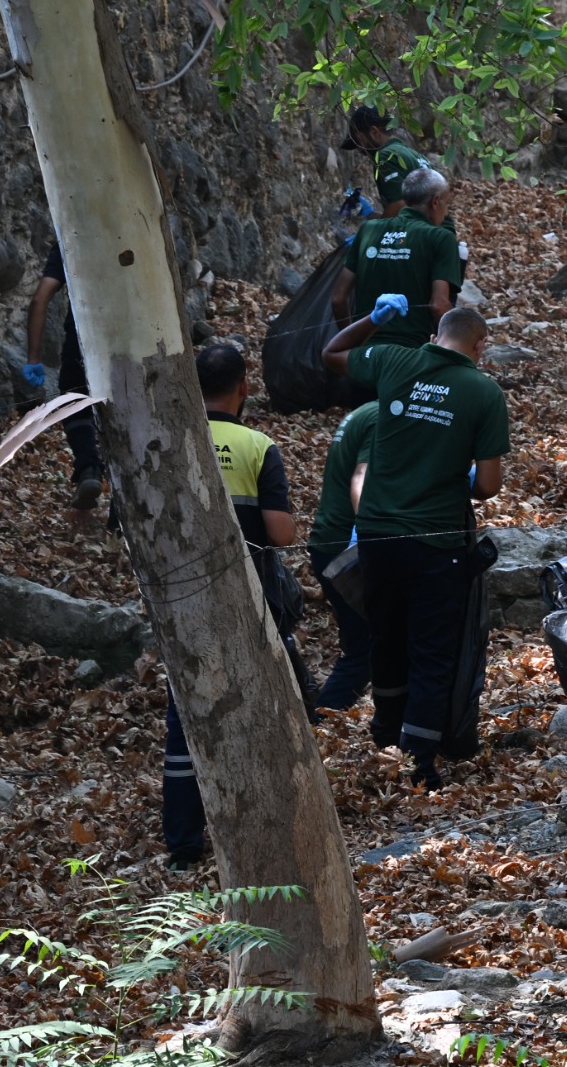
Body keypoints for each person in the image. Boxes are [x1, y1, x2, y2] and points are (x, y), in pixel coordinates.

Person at [320, 301, 509, 789]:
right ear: (480, 345)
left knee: (387, 638)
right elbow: (488, 485)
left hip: (379, 536)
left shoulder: (393, 359)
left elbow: (331, 352)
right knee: (431, 650)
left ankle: (386, 737)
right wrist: (454, 472)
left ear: (435, 335)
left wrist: (373, 318)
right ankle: (418, 762)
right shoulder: (483, 391)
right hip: (436, 541)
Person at [168, 342, 312, 867]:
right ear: (244, 387)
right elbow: (279, 532)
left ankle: (183, 844)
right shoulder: (256, 445)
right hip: (249, 598)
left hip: (182, 599)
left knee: (183, 715)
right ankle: (265, 830)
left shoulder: (172, 437)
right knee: (260, 703)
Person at [331, 167, 465, 348]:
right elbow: (439, 305)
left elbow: (338, 298)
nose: (446, 211)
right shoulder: (440, 238)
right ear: (435, 202)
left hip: (364, 353)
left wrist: (352, 341)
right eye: (446, 204)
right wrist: (456, 349)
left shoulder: (368, 230)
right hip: (410, 354)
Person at [307, 399, 381, 711]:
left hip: (330, 542)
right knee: (364, 649)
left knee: (362, 644)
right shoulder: (381, 416)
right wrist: (370, 541)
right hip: (345, 550)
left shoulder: (365, 411)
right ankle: (320, 724)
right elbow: (362, 477)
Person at [23, 242, 104, 509]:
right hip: (135, 336)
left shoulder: (72, 234)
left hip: (84, 335)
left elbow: (41, 296)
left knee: (73, 398)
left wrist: (34, 358)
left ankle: (89, 468)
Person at [342, 105, 436, 220]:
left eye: (360, 141)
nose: (360, 150)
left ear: (375, 133)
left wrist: (371, 231)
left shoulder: (386, 155)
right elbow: (406, 213)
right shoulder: (413, 154)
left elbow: (399, 206)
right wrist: (370, 215)